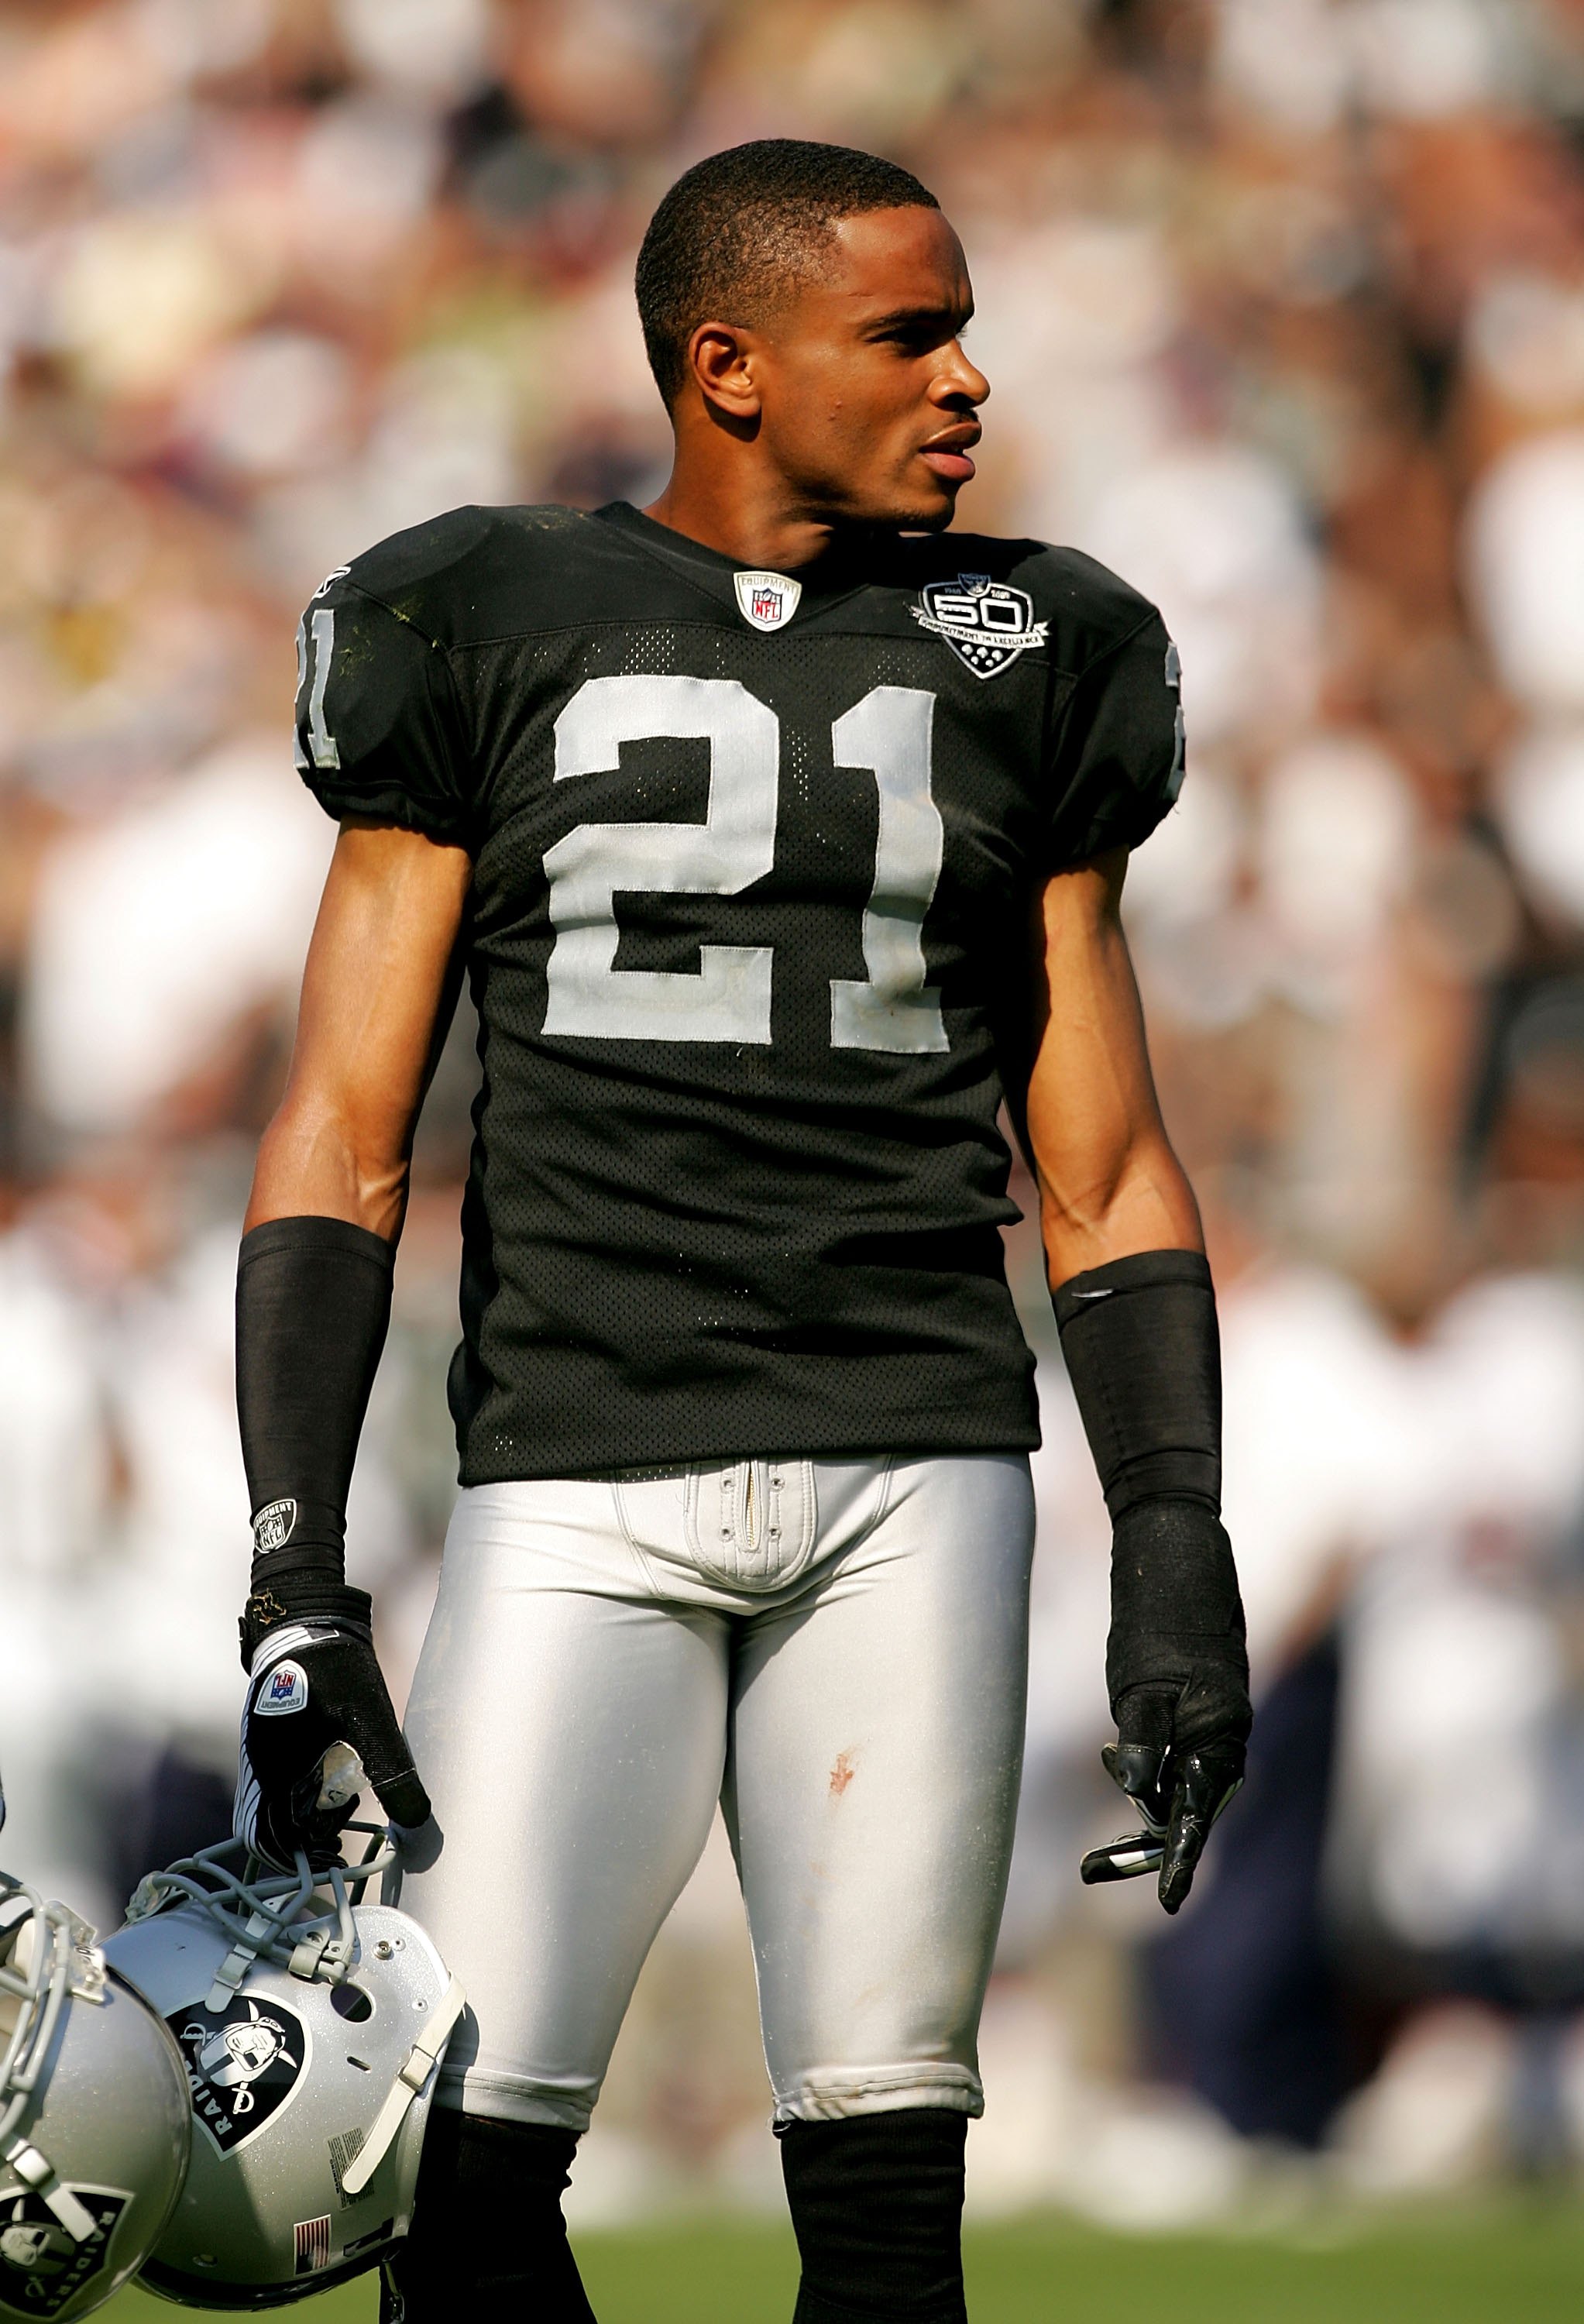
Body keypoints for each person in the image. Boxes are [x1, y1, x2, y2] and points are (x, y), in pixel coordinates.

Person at [229, 140, 1250, 2324]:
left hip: (912, 1460)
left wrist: (1173, 1530)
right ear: (729, 366)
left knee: (886, 2197)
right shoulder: (475, 613)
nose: (969, 378)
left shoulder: (1037, 642)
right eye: (907, 334)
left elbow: (1103, 1160)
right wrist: (293, 1564)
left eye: (963, 324)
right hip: (574, 1465)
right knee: (460, 2183)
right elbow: (342, 1126)